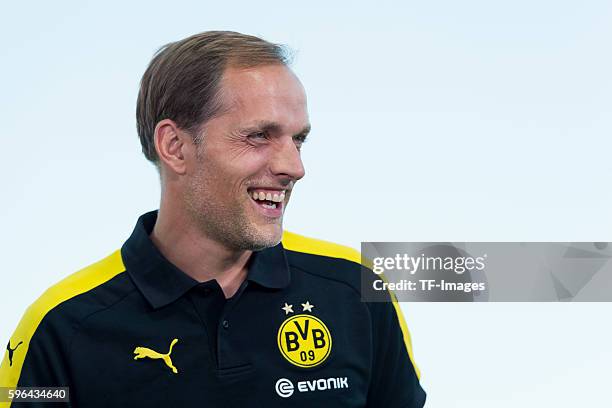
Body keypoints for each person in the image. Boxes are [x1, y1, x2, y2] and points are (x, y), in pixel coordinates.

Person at [0, 31, 426, 407]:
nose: (294, 167)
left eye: (298, 139)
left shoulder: (356, 287)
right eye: (259, 135)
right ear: (175, 146)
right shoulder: (59, 325)